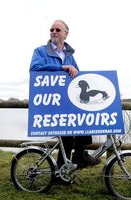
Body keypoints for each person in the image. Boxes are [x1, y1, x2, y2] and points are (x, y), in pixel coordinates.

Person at [29, 20, 101, 169]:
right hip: (51, 100)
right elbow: (35, 69)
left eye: (58, 29)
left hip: (67, 101)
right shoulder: (40, 51)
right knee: (66, 138)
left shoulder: (70, 55)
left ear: (65, 34)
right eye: (52, 29)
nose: (53, 31)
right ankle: (63, 169)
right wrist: (62, 67)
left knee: (83, 119)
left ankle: (79, 155)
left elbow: (76, 75)